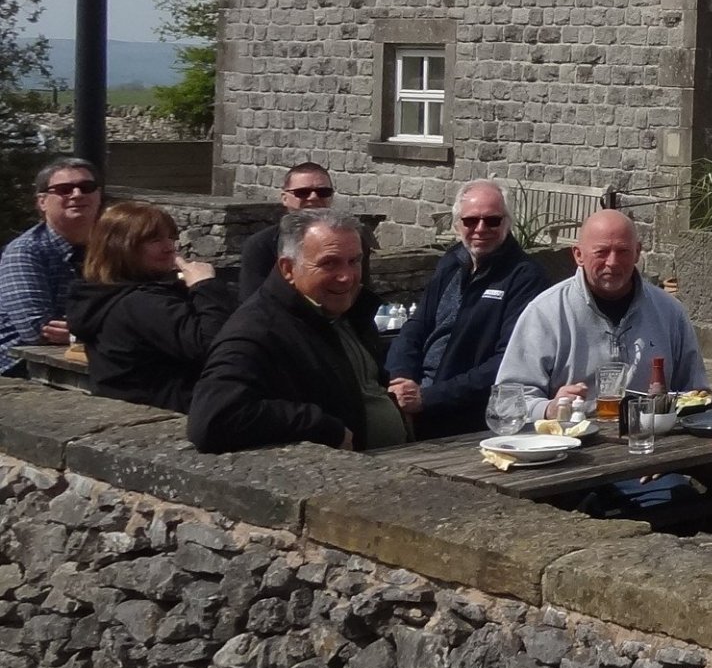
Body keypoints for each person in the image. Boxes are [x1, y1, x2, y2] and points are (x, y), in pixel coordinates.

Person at [188, 209, 410, 453]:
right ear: (288, 268)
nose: (346, 277)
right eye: (329, 263)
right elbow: (213, 419)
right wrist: (322, 427)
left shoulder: (343, 312)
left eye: (354, 261)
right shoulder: (258, 331)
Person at [494, 209, 705, 419]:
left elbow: (696, 392)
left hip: (653, 435)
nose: (612, 262)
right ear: (578, 255)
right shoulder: (545, 313)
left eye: (622, 251)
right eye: (601, 252)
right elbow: (507, 402)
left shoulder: (669, 312)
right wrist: (548, 409)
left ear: (637, 252)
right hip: (571, 437)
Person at [384, 180, 551, 438]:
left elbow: (507, 362)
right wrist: (401, 378)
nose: (480, 228)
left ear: (507, 223)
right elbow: (416, 326)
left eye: (492, 220)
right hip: (415, 400)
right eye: (471, 220)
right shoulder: (451, 262)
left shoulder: (524, 277)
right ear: (457, 224)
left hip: (467, 417)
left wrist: (429, 398)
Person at [67, 201, 233, 414]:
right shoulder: (140, 303)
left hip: (136, 411)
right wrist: (205, 286)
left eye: (171, 237)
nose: (169, 247)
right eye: (155, 240)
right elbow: (216, 346)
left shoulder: (104, 295)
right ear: (121, 247)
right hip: (173, 414)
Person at [0, 157, 103, 369]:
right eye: (64, 189)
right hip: (22, 369)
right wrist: (105, 330)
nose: (77, 194)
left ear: (98, 195)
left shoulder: (110, 247)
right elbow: (37, 330)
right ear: (42, 202)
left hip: (87, 360)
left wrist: (80, 331)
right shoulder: (25, 251)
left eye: (87, 187)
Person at [237, 162, 374, 306]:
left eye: (323, 192)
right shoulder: (260, 245)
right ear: (284, 198)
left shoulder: (352, 240)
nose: (313, 197)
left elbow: (361, 295)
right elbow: (253, 302)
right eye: (302, 192)